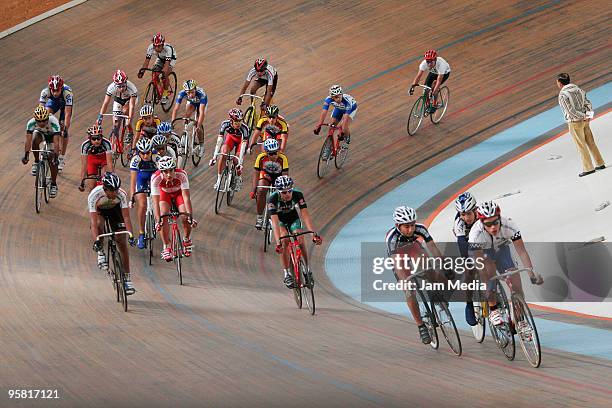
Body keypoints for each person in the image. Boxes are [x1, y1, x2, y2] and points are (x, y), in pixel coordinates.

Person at [468, 201, 544, 327]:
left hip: (501, 249)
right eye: (488, 224)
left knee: (517, 286)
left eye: (495, 222)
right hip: (482, 254)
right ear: (482, 223)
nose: (493, 227)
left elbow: (522, 251)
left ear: (500, 219)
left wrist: (531, 273)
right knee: (488, 274)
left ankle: (520, 321)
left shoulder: (509, 225)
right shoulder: (476, 234)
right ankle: (493, 310)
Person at [385, 206, 444, 344]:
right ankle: (420, 325)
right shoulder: (392, 238)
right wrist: (405, 281)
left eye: (412, 225)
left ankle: (434, 292)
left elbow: (433, 248)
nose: (411, 229)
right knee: (409, 292)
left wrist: (443, 265)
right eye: (406, 227)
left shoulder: (420, 229)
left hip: (413, 248)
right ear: (397, 225)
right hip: (398, 256)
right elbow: (397, 265)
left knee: (427, 264)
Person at [269, 176, 322, 288]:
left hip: (293, 218)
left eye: (289, 191)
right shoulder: (272, 199)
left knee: (300, 238)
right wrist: (278, 243)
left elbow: (305, 215)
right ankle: (287, 273)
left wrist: (314, 234)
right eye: (284, 192)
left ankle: (307, 270)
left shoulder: (298, 194)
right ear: (278, 192)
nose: (287, 194)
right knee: (285, 240)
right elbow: (274, 222)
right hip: (280, 221)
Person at [89, 173, 136, 294]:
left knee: (122, 241)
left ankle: (127, 278)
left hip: (115, 210)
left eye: (116, 190)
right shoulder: (94, 195)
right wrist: (97, 242)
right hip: (100, 211)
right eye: (112, 191)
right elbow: (93, 223)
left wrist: (130, 234)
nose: (115, 193)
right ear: (105, 189)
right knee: (99, 224)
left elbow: (126, 217)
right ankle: (101, 254)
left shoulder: (121, 194)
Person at [556, 72, 605, 177]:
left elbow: (570, 111)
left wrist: (582, 116)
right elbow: (588, 103)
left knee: (581, 145)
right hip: (586, 121)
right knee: (591, 142)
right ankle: (600, 163)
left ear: (560, 83)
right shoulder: (579, 90)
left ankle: (588, 168)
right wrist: (588, 116)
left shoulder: (563, 95)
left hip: (574, 122)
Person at [151, 157, 197, 261]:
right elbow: (155, 202)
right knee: (163, 216)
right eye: (165, 172)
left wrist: (190, 216)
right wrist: (158, 220)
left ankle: (187, 239)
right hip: (164, 194)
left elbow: (186, 197)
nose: (169, 174)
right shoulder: (155, 178)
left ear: (174, 169)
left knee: (185, 217)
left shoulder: (182, 175)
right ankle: (167, 246)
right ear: (161, 171)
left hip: (178, 194)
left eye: (171, 170)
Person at [22, 106, 61, 198]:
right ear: (35, 120)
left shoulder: (54, 122)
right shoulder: (31, 123)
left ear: (48, 118)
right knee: (34, 140)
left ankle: (53, 184)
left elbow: (56, 143)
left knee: (53, 161)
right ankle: (36, 162)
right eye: (39, 121)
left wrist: (55, 157)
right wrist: (26, 155)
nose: (42, 123)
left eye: (44, 120)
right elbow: (28, 140)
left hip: (52, 136)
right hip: (41, 134)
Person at [452, 192, 479, 326]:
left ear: (475, 210)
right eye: (462, 214)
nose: (466, 217)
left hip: (481, 238)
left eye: (468, 213)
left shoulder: (482, 216)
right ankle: (469, 304)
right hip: (466, 241)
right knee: (469, 271)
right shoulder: (459, 224)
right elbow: (462, 246)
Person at [250, 138, 289, 229]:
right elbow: (256, 174)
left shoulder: (283, 158)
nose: (274, 155)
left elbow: (285, 177)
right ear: (267, 153)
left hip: (278, 177)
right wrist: (254, 190)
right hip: (266, 175)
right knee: (261, 190)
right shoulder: (261, 157)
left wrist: (283, 191)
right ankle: (259, 218)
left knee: (281, 194)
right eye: (271, 153)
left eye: (276, 152)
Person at [210, 108, 250, 190]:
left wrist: (240, 163)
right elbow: (219, 141)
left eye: (240, 121)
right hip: (230, 139)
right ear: (231, 121)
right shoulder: (225, 124)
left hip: (241, 142)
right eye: (236, 122)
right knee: (223, 154)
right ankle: (218, 180)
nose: (239, 124)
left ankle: (238, 179)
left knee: (236, 161)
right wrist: (214, 157)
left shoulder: (245, 128)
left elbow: (242, 147)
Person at [39, 75, 73, 171]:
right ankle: (48, 136)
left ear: (61, 88)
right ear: (50, 88)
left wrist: (65, 129)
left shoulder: (67, 93)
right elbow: (40, 110)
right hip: (53, 103)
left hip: (64, 104)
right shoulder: (45, 92)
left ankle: (61, 157)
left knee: (63, 130)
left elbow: (67, 114)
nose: (55, 93)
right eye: (53, 90)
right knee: (45, 114)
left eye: (57, 90)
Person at [129, 138, 158, 249]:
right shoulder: (135, 160)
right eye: (142, 153)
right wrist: (132, 197)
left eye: (147, 153)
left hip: (154, 177)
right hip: (141, 178)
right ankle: (141, 233)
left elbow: (162, 176)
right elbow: (133, 180)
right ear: (138, 152)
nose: (145, 156)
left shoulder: (156, 158)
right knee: (142, 204)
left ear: (151, 151)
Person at [97, 70, 137, 142]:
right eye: (119, 87)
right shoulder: (111, 87)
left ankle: (130, 132)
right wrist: (100, 117)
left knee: (125, 111)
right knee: (116, 124)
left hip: (129, 100)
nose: (121, 89)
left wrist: (129, 119)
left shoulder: (132, 88)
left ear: (126, 83)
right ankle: (116, 143)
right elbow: (106, 102)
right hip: (118, 100)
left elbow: (132, 106)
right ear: (115, 85)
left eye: (123, 86)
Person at [171, 79, 207, 157]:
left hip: (201, 104)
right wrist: (172, 122)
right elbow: (176, 109)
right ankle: (185, 133)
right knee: (186, 116)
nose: (190, 95)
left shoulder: (202, 94)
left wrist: (198, 125)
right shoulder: (181, 93)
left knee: (198, 124)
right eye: (188, 93)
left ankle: (201, 145)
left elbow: (201, 112)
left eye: (192, 92)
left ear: (195, 89)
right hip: (192, 102)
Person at [138, 33, 176, 104]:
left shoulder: (168, 49)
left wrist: (164, 73)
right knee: (154, 74)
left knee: (165, 75)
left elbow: (167, 65)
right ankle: (159, 88)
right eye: (155, 46)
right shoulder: (150, 48)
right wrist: (142, 71)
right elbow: (146, 61)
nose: (156, 48)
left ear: (162, 44)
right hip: (160, 58)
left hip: (171, 59)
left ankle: (165, 94)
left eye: (159, 46)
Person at [79, 125, 113, 193]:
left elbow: (109, 163)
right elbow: (84, 166)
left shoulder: (107, 143)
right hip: (92, 160)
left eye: (98, 138)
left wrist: (111, 178)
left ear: (102, 137)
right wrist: (82, 183)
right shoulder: (85, 145)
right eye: (94, 139)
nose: (96, 141)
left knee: (105, 176)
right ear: (89, 138)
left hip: (104, 159)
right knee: (91, 186)